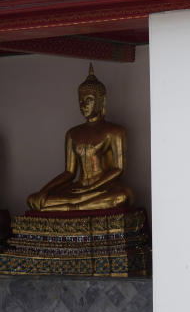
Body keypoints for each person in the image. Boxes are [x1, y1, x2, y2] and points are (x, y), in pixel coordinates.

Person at [27, 65, 134, 211]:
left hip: (102, 189)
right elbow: (69, 173)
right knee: (33, 199)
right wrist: (43, 191)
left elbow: (118, 169)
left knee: (123, 196)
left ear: (101, 100)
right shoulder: (72, 133)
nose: (83, 105)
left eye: (88, 100)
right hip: (78, 188)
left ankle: (73, 207)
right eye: (80, 100)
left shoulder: (115, 131)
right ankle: (76, 205)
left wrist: (91, 188)